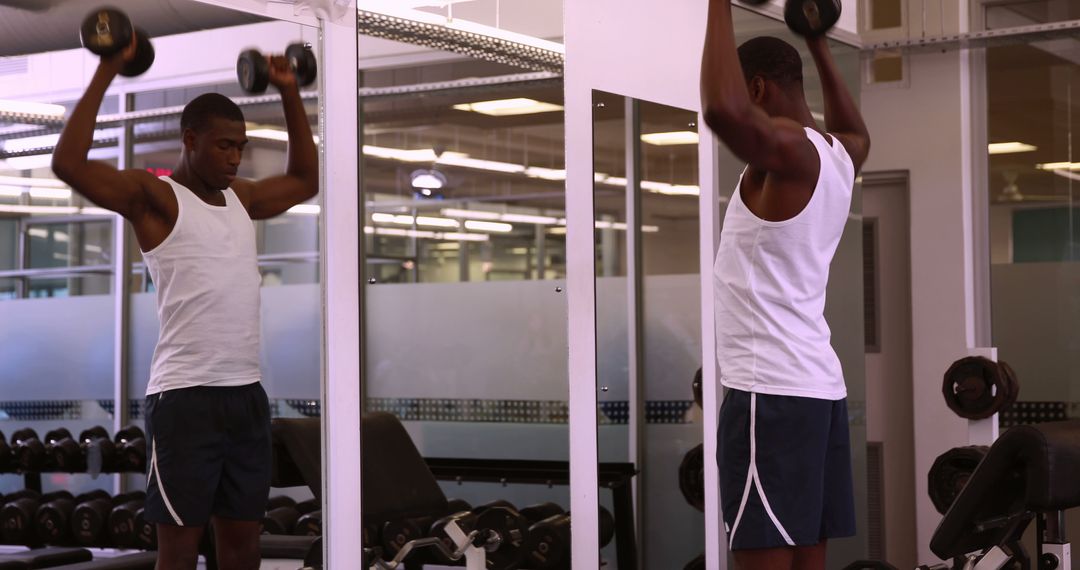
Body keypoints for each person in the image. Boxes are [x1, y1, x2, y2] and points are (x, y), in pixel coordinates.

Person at [52, 35, 318, 570]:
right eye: (224, 145)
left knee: (243, 546)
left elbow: (305, 180)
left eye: (241, 146)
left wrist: (289, 92)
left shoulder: (240, 198)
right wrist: (108, 68)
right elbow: (69, 164)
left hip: (245, 395)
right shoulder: (157, 201)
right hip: (185, 400)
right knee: (178, 552)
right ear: (190, 140)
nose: (235, 157)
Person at [700, 2, 871, 569]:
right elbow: (853, 127)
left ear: (757, 86)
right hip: (818, 392)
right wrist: (817, 39)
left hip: (768, 395)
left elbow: (723, 110)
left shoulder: (795, 154)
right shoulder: (840, 153)